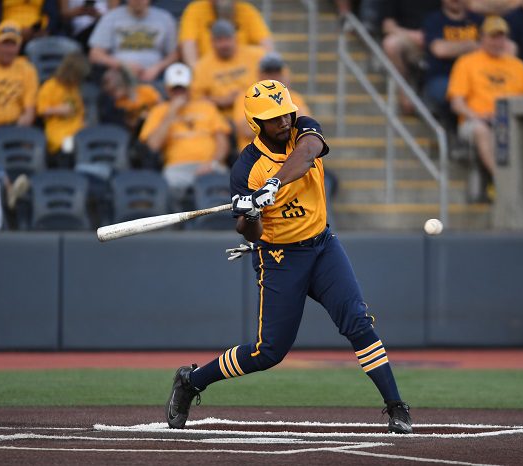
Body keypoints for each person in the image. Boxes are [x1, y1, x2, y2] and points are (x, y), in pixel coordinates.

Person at [165, 79, 413, 435]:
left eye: (285, 113)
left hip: (322, 246)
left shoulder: (304, 130)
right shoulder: (246, 168)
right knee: (268, 352)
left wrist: (273, 185)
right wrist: (250, 213)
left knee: (358, 322)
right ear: (256, 123)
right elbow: (249, 233)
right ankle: (192, 381)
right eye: (273, 117)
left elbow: (308, 153)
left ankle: (396, 407)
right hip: (280, 257)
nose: (283, 121)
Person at [447, 16, 523, 184]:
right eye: (493, 36)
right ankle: (501, 180)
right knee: (482, 131)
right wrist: (478, 116)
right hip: (476, 120)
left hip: (510, 120)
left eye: (501, 37)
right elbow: (456, 103)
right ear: (482, 38)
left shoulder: (518, 66)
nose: (497, 41)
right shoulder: (466, 62)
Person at [139, 63, 231, 209]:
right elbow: (152, 145)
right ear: (168, 89)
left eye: (182, 88)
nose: (179, 93)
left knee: (225, 185)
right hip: (177, 169)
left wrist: (213, 163)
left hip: (208, 165)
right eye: (175, 89)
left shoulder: (206, 107)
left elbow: (222, 142)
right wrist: (171, 112)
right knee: (168, 187)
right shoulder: (159, 111)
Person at [233, 52, 311, 154]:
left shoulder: (293, 96)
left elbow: (305, 126)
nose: (273, 76)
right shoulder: (246, 96)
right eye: (268, 71)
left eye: (277, 71)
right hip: (255, 156)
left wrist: (268, 120)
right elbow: (245, 130)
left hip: (290, 155)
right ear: (259, 74)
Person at [88, 0, 178, 83]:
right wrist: (122, 65)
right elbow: (95, 55)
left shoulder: (164, 18)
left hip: (158, 76)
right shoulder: (111, 17)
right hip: (120, 76)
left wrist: (157, 68)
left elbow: (175, 54)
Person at [191, 20, 264, 119]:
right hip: (221, 118)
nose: (224, 44)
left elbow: (278, 78)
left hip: (257, 110)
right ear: (212, 42)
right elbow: (197, 99)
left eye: (228, 39)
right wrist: (221, 101)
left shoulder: (256, 55)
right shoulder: (202, 65)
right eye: (219, 40)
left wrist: (244, 96)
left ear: (236, 39)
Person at [380, 0, 440, 114]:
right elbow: (388, 26)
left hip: (438, 38)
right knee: (390, 44)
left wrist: (430, 35)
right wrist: (414, 36)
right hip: (409, 40)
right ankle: (405, 92)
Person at [422, 0, 483, 111]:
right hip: (444, 77)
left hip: (475, 76)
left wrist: (453, 48)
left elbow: (496, 46)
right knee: (452, 93)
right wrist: (471, 45)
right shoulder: (434, 19)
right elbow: (440, 50)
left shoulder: (477, 19)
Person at [178, 0, 273, 69]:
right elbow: (188, 45)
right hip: (209, 72)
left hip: (244, 73)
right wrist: (200, 72)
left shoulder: (247, 10)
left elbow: (267, 47)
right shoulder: (195, 9)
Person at [36, 52, 90, 166]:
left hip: (77, 132)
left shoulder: (74, 89)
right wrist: (58, 110)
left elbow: (80, 112)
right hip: (60, 134)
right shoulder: (51, 86)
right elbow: (41, 111)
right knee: (68, 147)